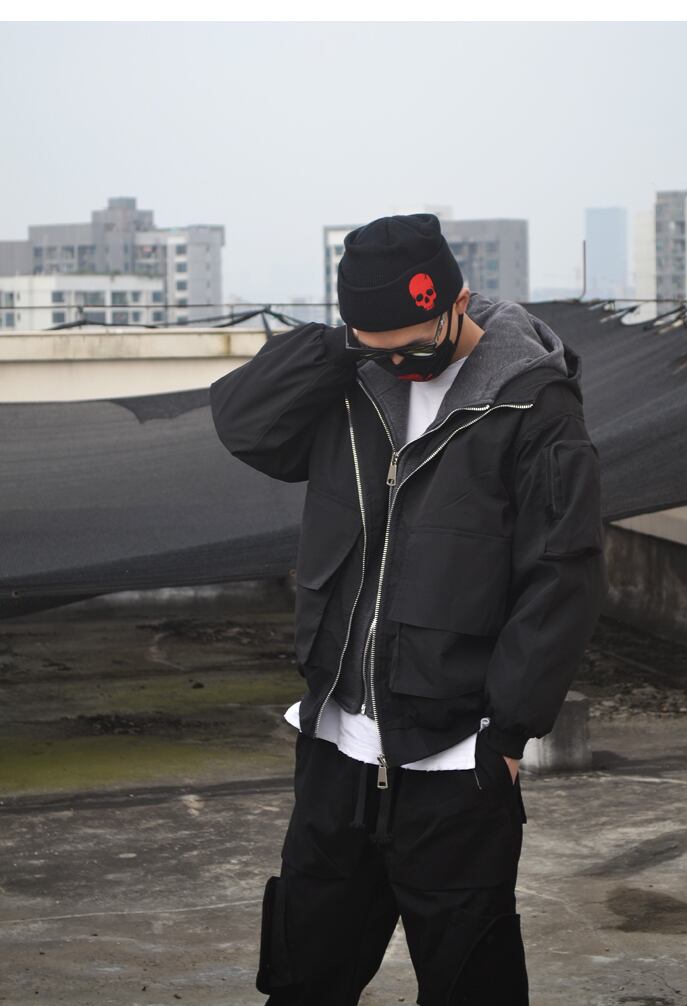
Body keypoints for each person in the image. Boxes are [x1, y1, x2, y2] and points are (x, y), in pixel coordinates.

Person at [209, 213, 609, 1005]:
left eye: (415, 347)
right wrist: (341, 349)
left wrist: (507, 734)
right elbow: (247, 426)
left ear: (457, 302)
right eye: (380, 348)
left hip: (457, 762)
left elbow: (562, 574)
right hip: (337, 749)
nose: (402, 365)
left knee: (469, 986)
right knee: (302, 978)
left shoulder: (532, 403)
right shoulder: (352, 385)